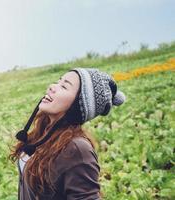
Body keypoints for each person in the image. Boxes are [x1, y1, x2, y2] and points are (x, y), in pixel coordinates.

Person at [9, 67, 126, 200]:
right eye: (58, 82)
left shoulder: (77, 149)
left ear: (78, 105)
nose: (52, 87)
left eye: (64, 87)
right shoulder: (43, 131)